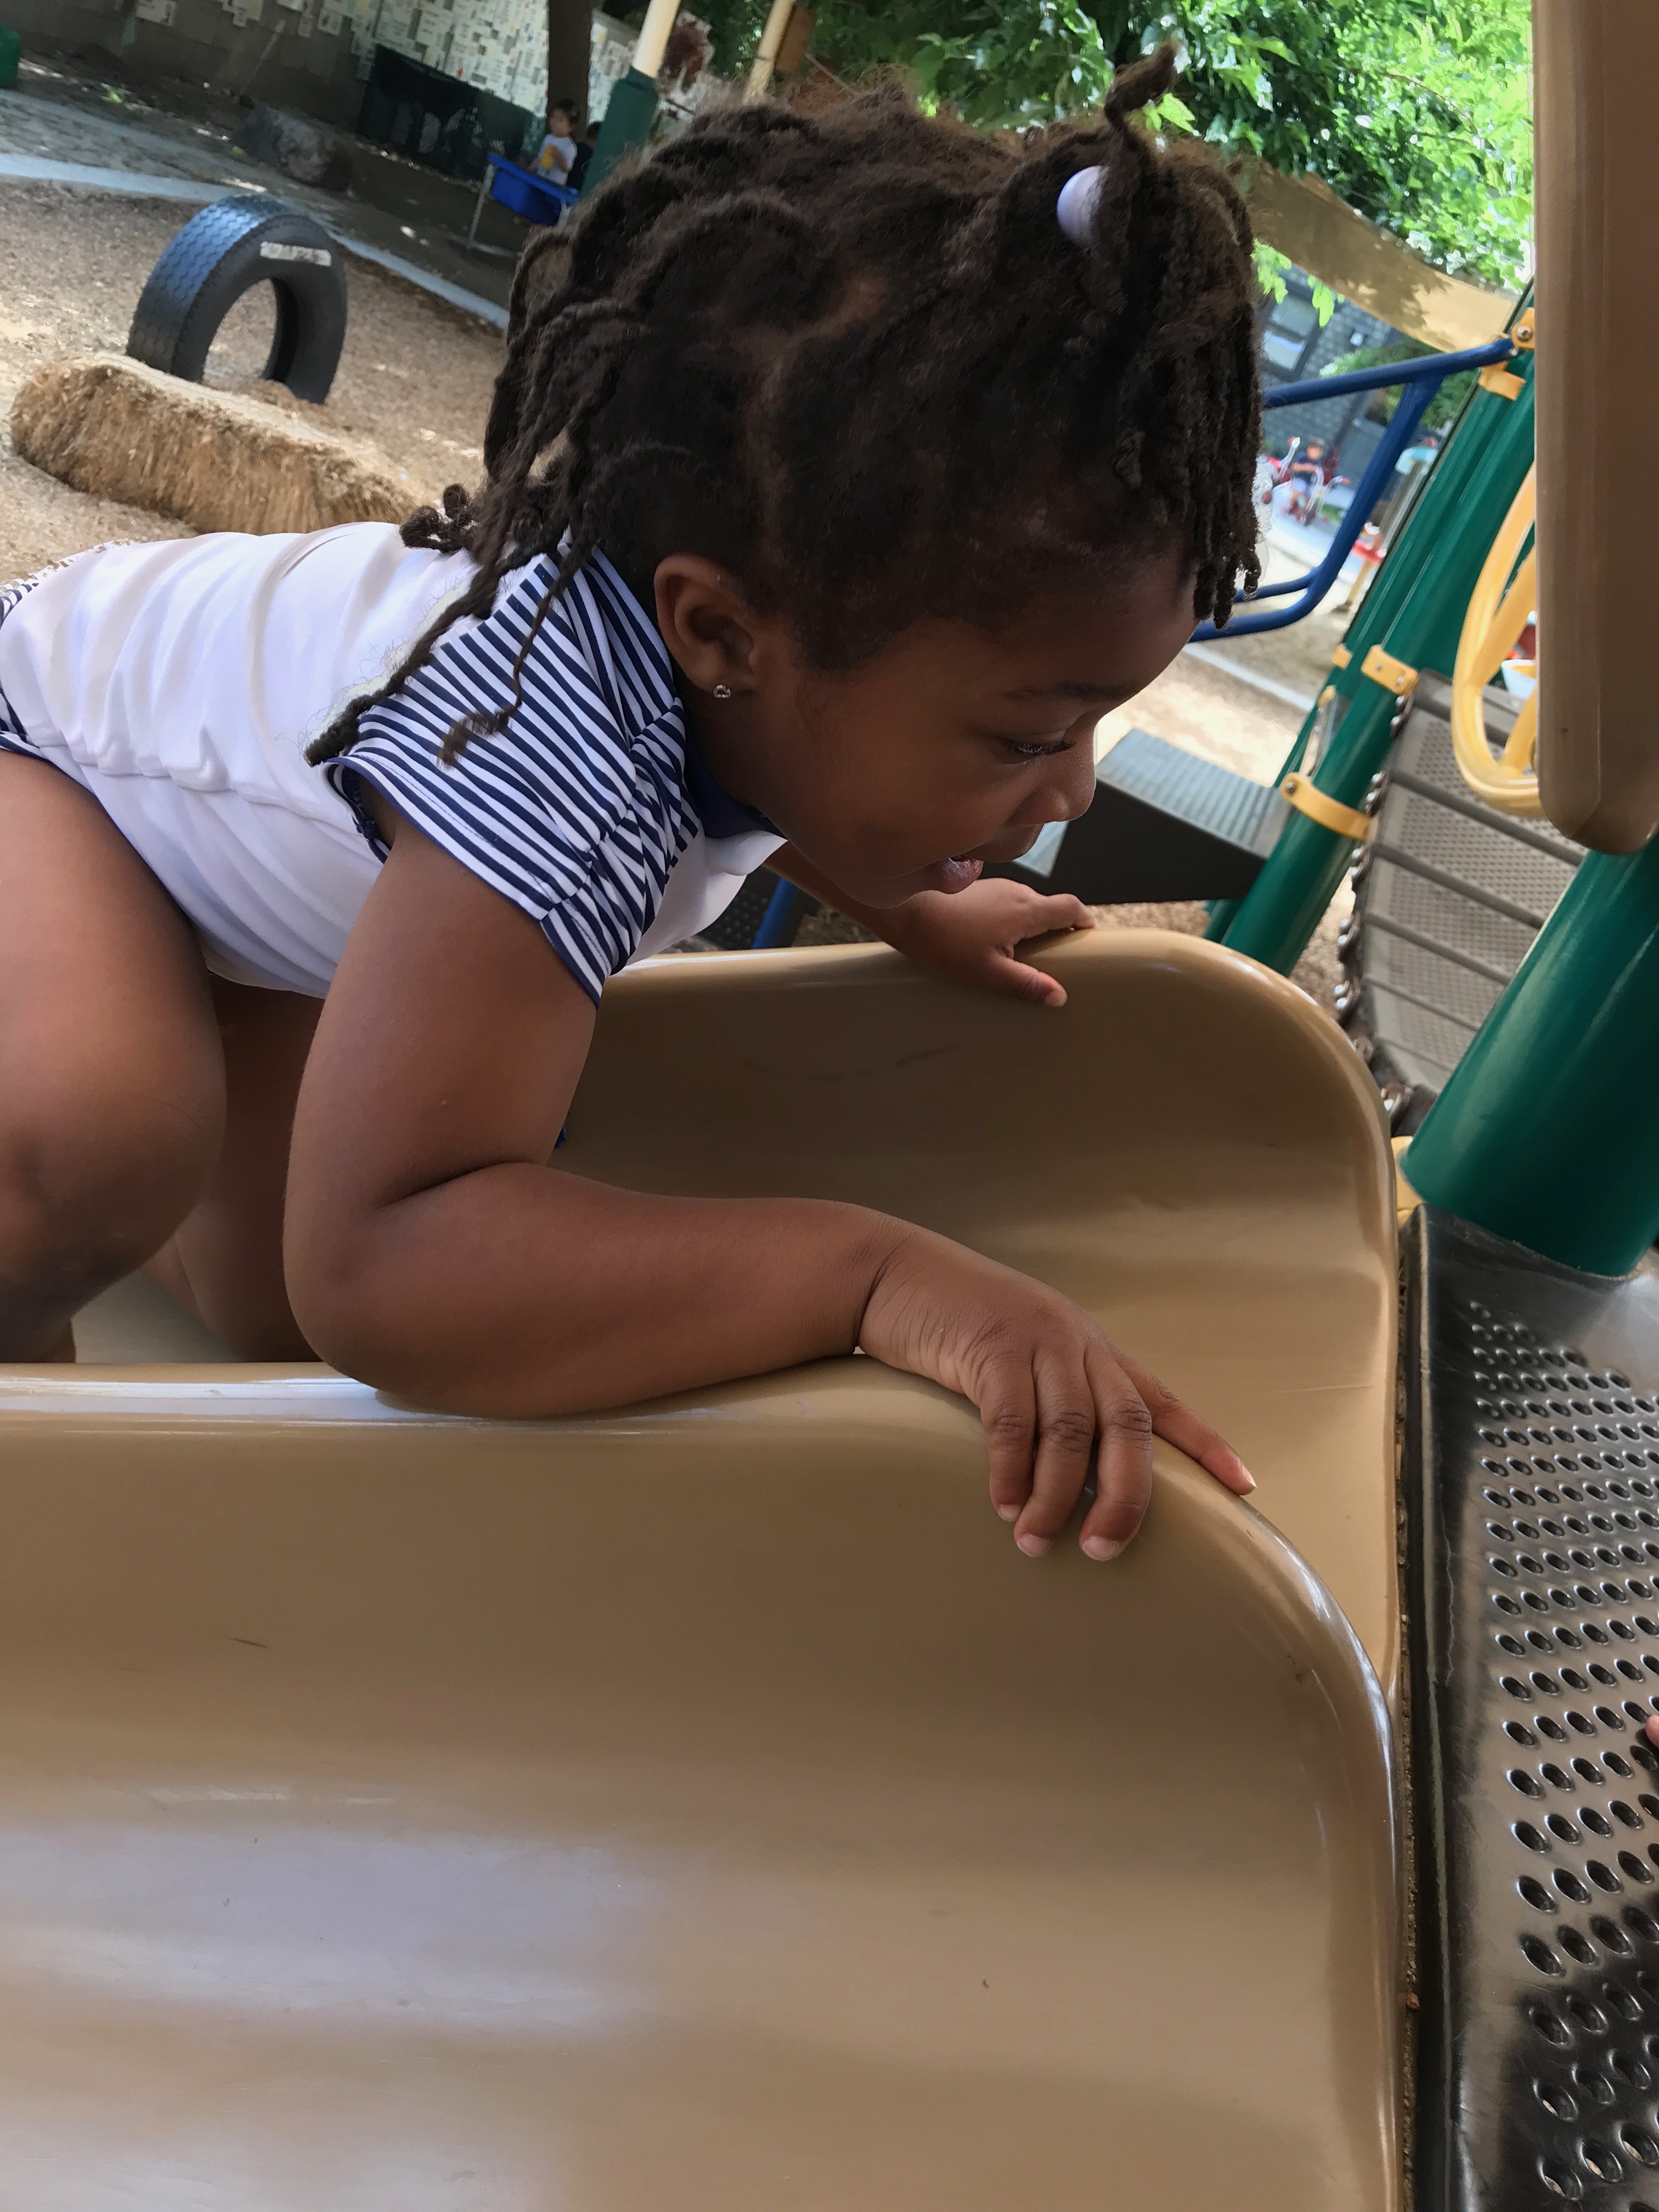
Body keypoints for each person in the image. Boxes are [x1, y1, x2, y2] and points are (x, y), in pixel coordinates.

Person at [0, 50, 1260, 1563]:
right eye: (1028, 734)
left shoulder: (733, 661)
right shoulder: (550, 748)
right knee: (106, 1140)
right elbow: (383, 1267)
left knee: (265, 1288)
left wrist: (909, 903)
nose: (1075, 787)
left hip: (231, 859)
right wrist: (872, 1279)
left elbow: (769, 766)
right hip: (48, 760)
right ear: (717, 630)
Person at [534, 99, 579, 180]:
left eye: (560, 120)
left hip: (553, 184)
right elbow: (539, 159)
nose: (554, 122)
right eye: (553, 117)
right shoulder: (548, 138)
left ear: (571, 127)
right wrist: (528, 170)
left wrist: (559, 157)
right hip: (539, 179)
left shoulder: (570, 147)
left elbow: (566, 169)